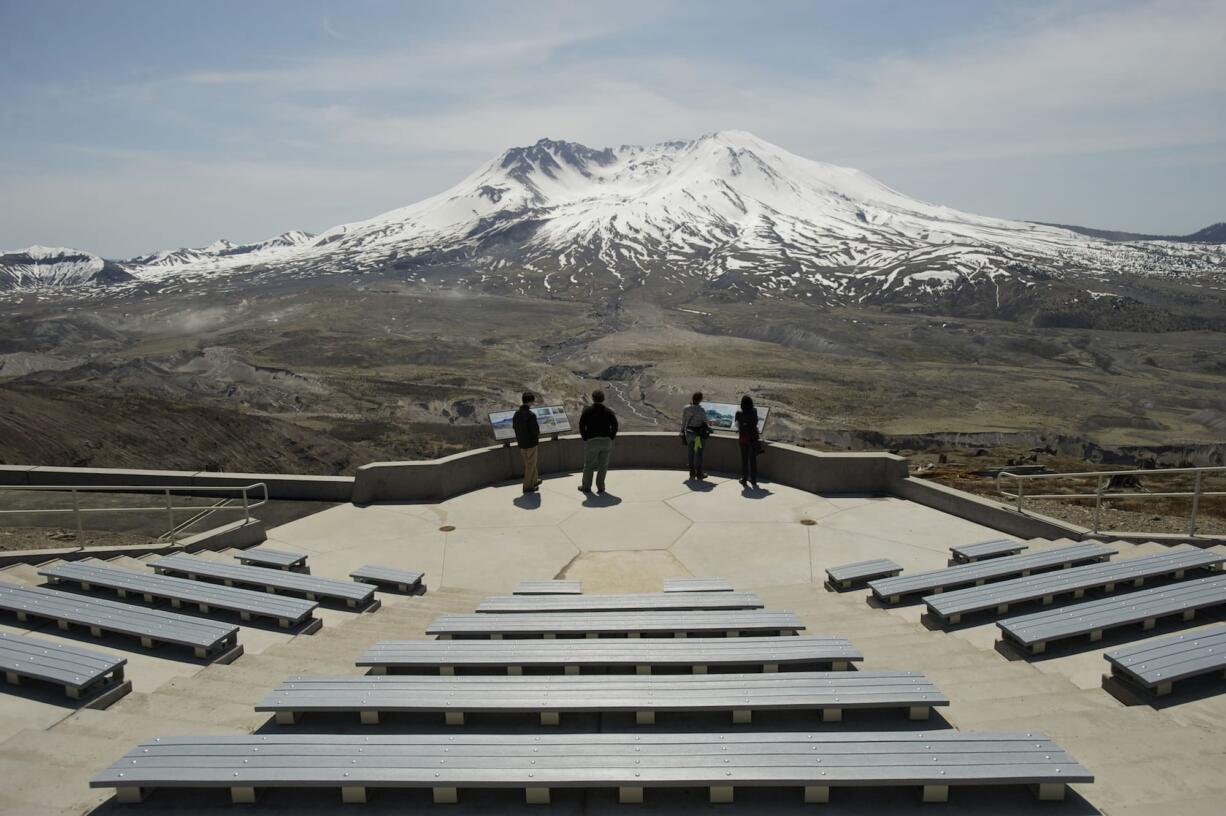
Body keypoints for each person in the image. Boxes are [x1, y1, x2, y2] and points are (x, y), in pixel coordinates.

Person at [578, 389, 618, 493]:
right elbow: (615, 425)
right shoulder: (609, 411)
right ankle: (601, 487)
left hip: (592, 441)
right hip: (606, 442)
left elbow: (581, 425)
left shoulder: (587, 411)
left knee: (589, 465)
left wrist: (585, 437)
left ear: (593, 398)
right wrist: (611, 437)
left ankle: (586, 486)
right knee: (603, 465)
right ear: (603, 399)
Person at [512, 391, 541, 494]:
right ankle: (527, 486)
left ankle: (534, 481)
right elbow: (536, 430)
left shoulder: (516, 414)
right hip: (531, 444)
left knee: (529, 464)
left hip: (521, 444)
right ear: (530, 402)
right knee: (531, 465)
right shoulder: (531, 415)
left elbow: (514, 427)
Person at [680, 391, 709, 480]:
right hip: (697, 436)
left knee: (690, 452)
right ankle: (699, 473)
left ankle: (692, 471)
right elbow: (705, 421)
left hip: (688, 434)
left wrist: (682, 432)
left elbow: (683, 421)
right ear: (700, 400)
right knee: (698, 453)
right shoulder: (701, 410)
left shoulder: (686, 408)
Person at [735, 395, 761, 489]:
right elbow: (756, 422)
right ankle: (753, 479)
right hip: (753, 438)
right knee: (753, 459)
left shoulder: (739, 412)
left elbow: (737, 425)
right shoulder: (754, 411)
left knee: (744, 459)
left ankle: (744, 479)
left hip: (743, 438)